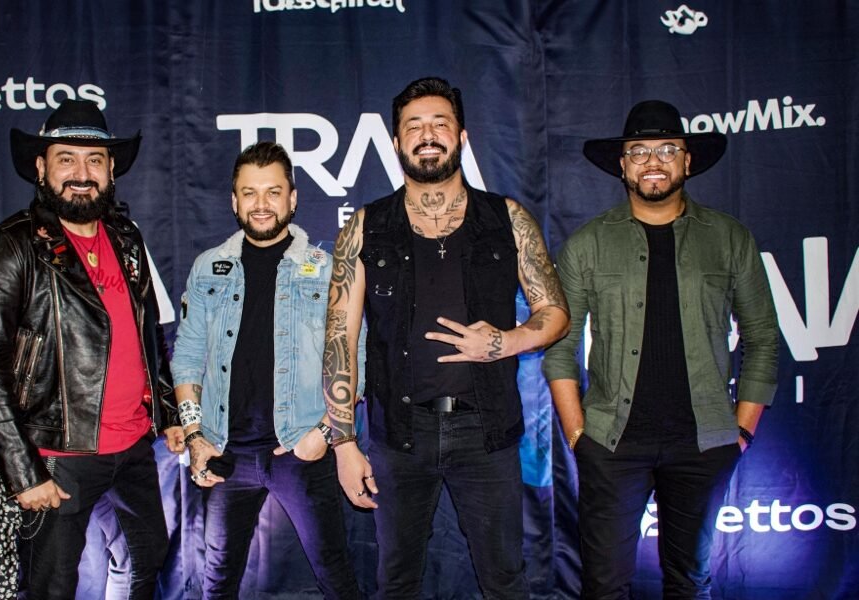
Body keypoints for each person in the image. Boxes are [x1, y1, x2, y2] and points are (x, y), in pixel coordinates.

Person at [323, 77, 570, 598]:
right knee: (396, 582)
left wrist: (503, 342)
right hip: (399, 435)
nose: (427, 134)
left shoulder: (507, 218)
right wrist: (343, 443)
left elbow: (555, 313)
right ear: (396, 142)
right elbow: (339, 337)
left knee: (504, 580)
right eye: (414, 126)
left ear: (462, 136)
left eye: (440, 123)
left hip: (487, 431)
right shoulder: (366, 227)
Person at [542, 100, 780, 599]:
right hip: (611, 443)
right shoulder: (587, 244)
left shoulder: (729, 238)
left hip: (703, 444)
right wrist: (578, 435)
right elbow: (560, 348)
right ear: (623, 165)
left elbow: (762, 339)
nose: (654, 161)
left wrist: (740, 432)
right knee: (604, 586)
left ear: (687, 161)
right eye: (639, 151)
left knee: (689, 582)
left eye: (668, 149)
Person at [0, 99, 185, 600]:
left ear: (111, 170)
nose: (82, 174)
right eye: (67, 159)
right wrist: (24, 473)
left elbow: (147, 335)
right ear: (41, 168)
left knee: (147, 560)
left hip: (133, 446)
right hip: (57, 456)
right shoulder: (13, 244)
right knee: (52, 587)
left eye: (94, 160)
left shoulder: (127, 238)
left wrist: (168, 412)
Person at [170, 141, 360, 599]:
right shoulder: (208, 268)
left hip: (300, 447)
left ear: (292, 199)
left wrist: (324, 433)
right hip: (226, 452)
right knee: (217, 580)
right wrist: (195, 436)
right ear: (234, 201)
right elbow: (187, 357)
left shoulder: (326, 270)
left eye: (273, 192)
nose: (261, 204)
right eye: (249, 193)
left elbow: (354, 361)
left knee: (335, 574)